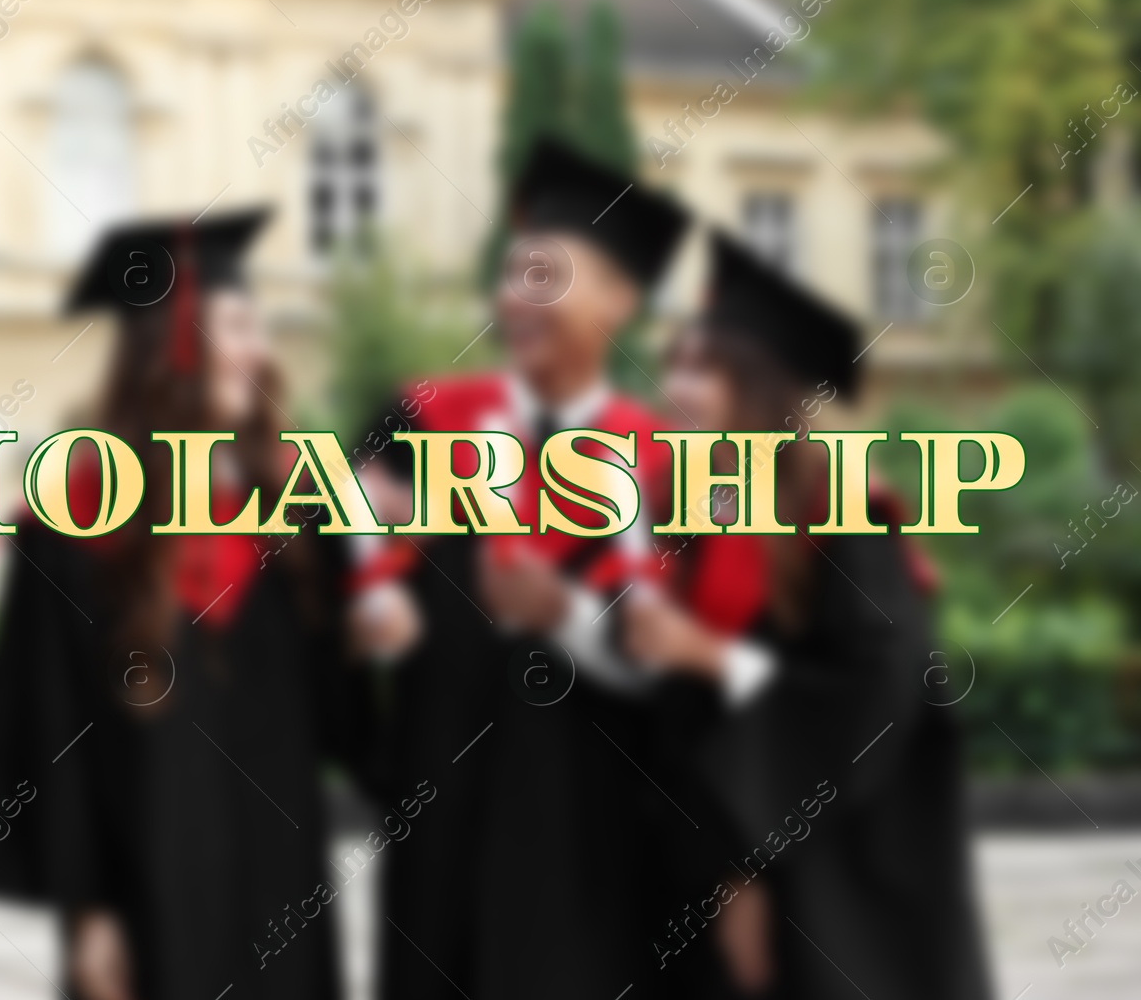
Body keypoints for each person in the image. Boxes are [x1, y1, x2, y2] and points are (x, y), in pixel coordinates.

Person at [351, 135, 718, 999]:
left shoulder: (664, 465)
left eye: (546, 274)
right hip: (443, 822)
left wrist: (567, 617)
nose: (516, 296)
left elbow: (683, 676)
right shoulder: (419, 423)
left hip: (594, 836)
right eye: (511, 273)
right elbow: (335, 578)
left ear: (618, 300)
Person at [0, 209, 355, 1000]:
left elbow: (346, 714)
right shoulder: (72, 522)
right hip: (143, 911)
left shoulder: (300, 511)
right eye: (239, 325)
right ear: (175, 341)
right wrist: (87, 912)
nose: (262, 351)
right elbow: (49, 734)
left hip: (282, 897)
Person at [621, 232, 992, 999]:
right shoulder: (689, 516)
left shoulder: (845, 516)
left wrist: (713, 658)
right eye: (674, 367)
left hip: (834, 892)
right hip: (705, 877)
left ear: (758, 388)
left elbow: (871, 705)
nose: (677, 389)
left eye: (704, 369)